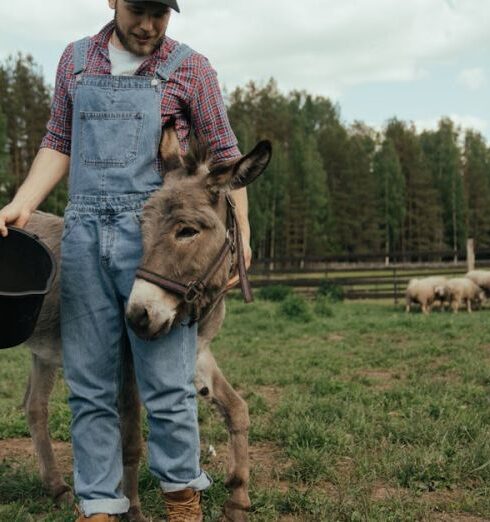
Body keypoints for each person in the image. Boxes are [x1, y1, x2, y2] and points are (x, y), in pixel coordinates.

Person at [0, 1, 252, 520]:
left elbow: (227, 155)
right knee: (91, 388)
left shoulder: (191, 68)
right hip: (84, 240)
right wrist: (23, 202)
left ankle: (183, 503)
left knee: (168, 388)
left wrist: (242, 236)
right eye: (139, 9)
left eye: (162, 12)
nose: (149, 25)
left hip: (155, 244)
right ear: (112, 0)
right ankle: (99, 507)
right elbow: (58, 141)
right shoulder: (74, 61)